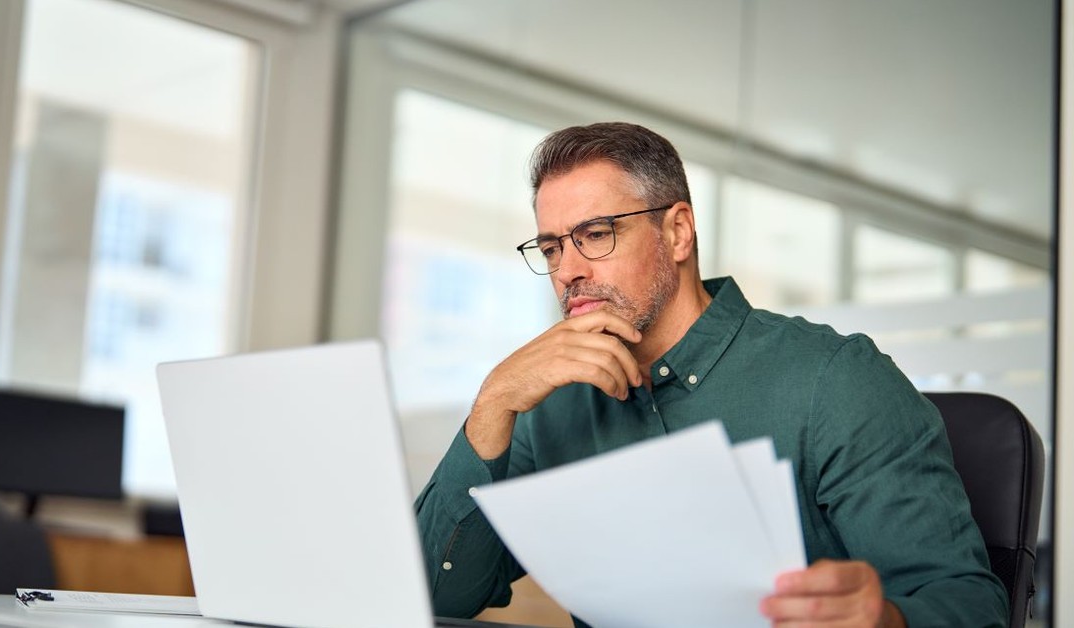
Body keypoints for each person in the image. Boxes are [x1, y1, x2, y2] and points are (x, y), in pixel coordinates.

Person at [414, 122, 1009, 627]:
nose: (567, 270)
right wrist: (492, 404)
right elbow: (436, 599)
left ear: (677, 231)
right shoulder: (550, 402)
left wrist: (886, 618)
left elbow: (970, 603)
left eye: (595, 235)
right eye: (550, 249)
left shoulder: (834, 379)